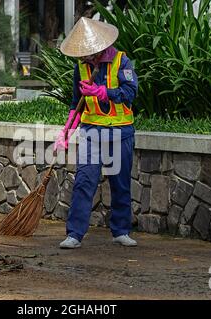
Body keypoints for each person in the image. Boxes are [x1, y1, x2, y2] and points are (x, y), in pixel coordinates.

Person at [54, 17, 138, 249]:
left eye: (85, 53)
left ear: (98, 48)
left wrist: (103, 92)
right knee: (84, 181)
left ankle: (121, 231)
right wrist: (66, 130)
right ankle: (74, 234)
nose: (82, 57)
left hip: (120, 133)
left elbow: (130, 92)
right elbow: (76, 103)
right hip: (91, 133)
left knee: (120, 184)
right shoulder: (80, 67)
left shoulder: (122, 61)